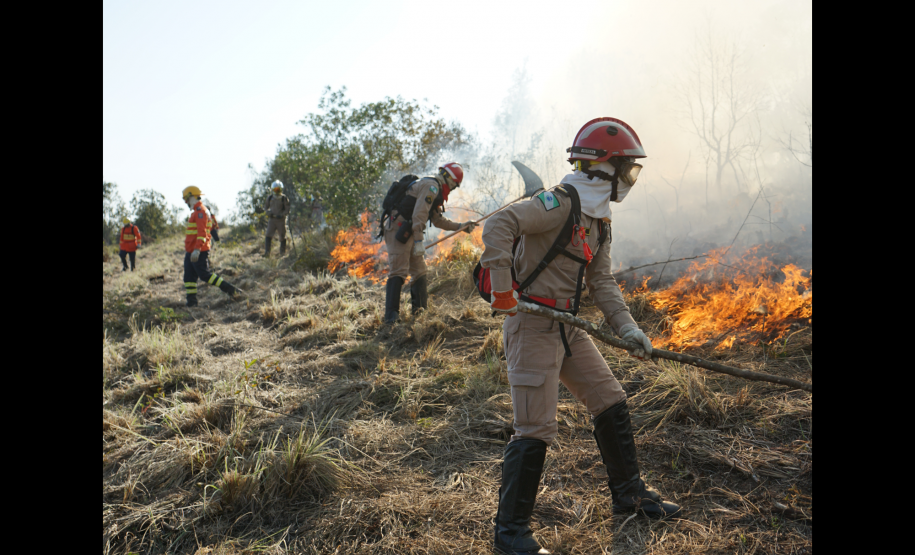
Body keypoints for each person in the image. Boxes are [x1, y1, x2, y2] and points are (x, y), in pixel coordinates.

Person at [480, 118, 680, 555]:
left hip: (568, 326)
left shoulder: (599, 220)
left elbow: (602, 281)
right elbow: (497, 227)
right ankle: (510, 535)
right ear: (603, 167)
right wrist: (501, 290)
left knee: (610, 399)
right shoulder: (557, 202)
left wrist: (628, 328)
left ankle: (629, 496)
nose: (630, 179)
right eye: (626, 168)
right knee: (535, 428)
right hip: (530, 324)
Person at [382, 163, 476, 323]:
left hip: (409, 230)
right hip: (398, 229)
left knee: (419, 270)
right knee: (399, 270)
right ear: (449, 179)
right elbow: (419, 215)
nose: (452, 189)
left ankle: (420, 312)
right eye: (454, 185)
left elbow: (437, 220)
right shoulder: (431, 187)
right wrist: (418, 240)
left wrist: (461, 227)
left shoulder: (434, 188)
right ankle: (391, 318)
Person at [182, 186, 243, 307]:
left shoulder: (200, 211)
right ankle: (192, 303)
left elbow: (202, 232)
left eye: (187, 199)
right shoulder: (196, 211)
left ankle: (232, 290)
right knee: (189, 278)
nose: (186, 202)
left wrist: (197, 249)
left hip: (198, 251)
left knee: (205, 275)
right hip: (191, 251)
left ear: (192, 196)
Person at [264, 180, 290, 256]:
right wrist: (268, 212)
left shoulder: (284, 198)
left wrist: (282, 214)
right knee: (268, 235)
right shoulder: (270, 198)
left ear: (281, 189)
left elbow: (287, 209)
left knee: (282, 236)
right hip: (272, 220)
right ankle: (267, 253)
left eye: (278, 190)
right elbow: (266, 207)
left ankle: (282, 253)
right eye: (275, 190)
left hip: (281, 220)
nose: (277, 191)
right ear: (273, 190)